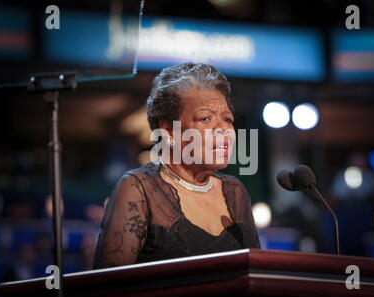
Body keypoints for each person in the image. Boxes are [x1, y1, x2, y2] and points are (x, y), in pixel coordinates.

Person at [93, 63, 261, 269]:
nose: (223, 129)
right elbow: (109, 285)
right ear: (169, 131)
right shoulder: (138, 188)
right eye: (206, 118)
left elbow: (255, 272)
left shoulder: (235, 192)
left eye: (227, 119)